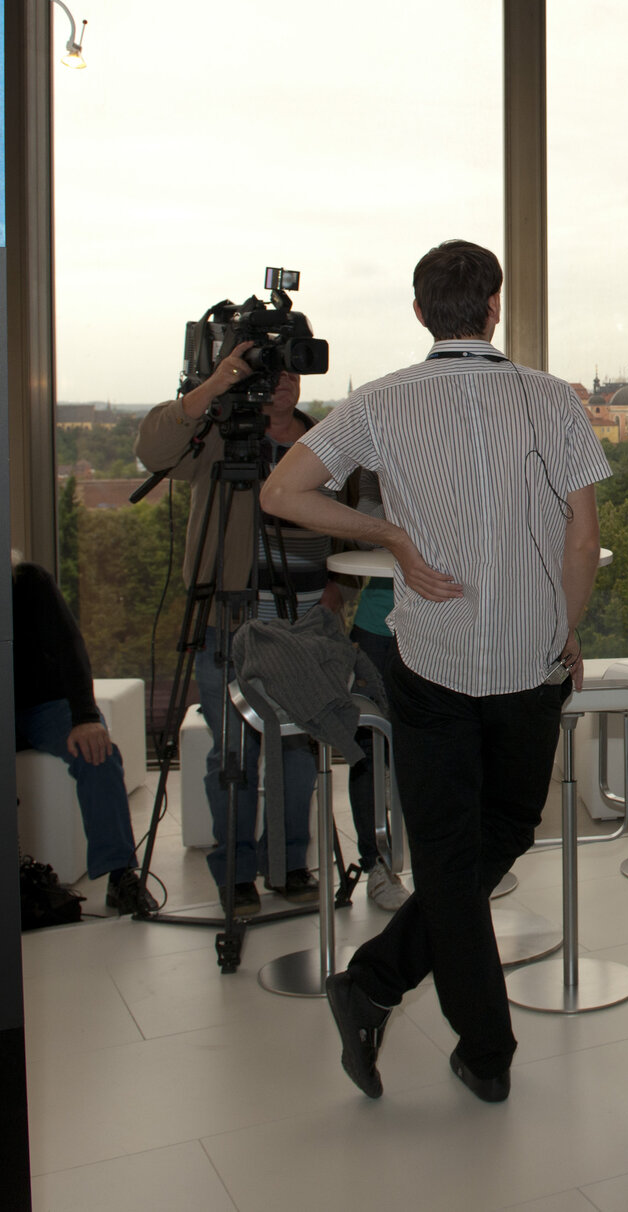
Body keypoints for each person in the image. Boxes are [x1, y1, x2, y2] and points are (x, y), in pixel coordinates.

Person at [263, 239, 608, 1104]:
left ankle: (376, 982)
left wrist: (388, 535)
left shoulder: (379, 403)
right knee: (496, 838)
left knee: (461, 856)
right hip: (531, 659)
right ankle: (486, 1052)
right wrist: (565, 627)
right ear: (493, 307)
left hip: (433, 661)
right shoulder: (552, 399)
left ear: (421, 313)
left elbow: (281, 492)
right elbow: (581, 533)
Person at [136, 354, 338, 917]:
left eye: (292, 374)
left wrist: (336, 586)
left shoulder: (323, 441)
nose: (283, 385)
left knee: (299, 752)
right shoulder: (221, 437)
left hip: (304, 626)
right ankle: (235, 871)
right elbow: (152, 449)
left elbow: (353, 512)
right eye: (269, 375)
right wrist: (219, 381)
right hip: (231, 621)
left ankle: (290, 863)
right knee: (233, 753)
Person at [10, 555, 159, 914]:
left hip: (43, 707)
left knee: (99, 754)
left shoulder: (28, 580)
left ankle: (120, 875)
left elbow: (68, 644)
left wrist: (86, 715)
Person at [341, 468, 408, 912]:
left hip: (450, 625)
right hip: (379, 629)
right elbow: (363, 526)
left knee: (443, 746)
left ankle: (447, 863)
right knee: (369, 749)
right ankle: (376, 865)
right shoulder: (379, 448)